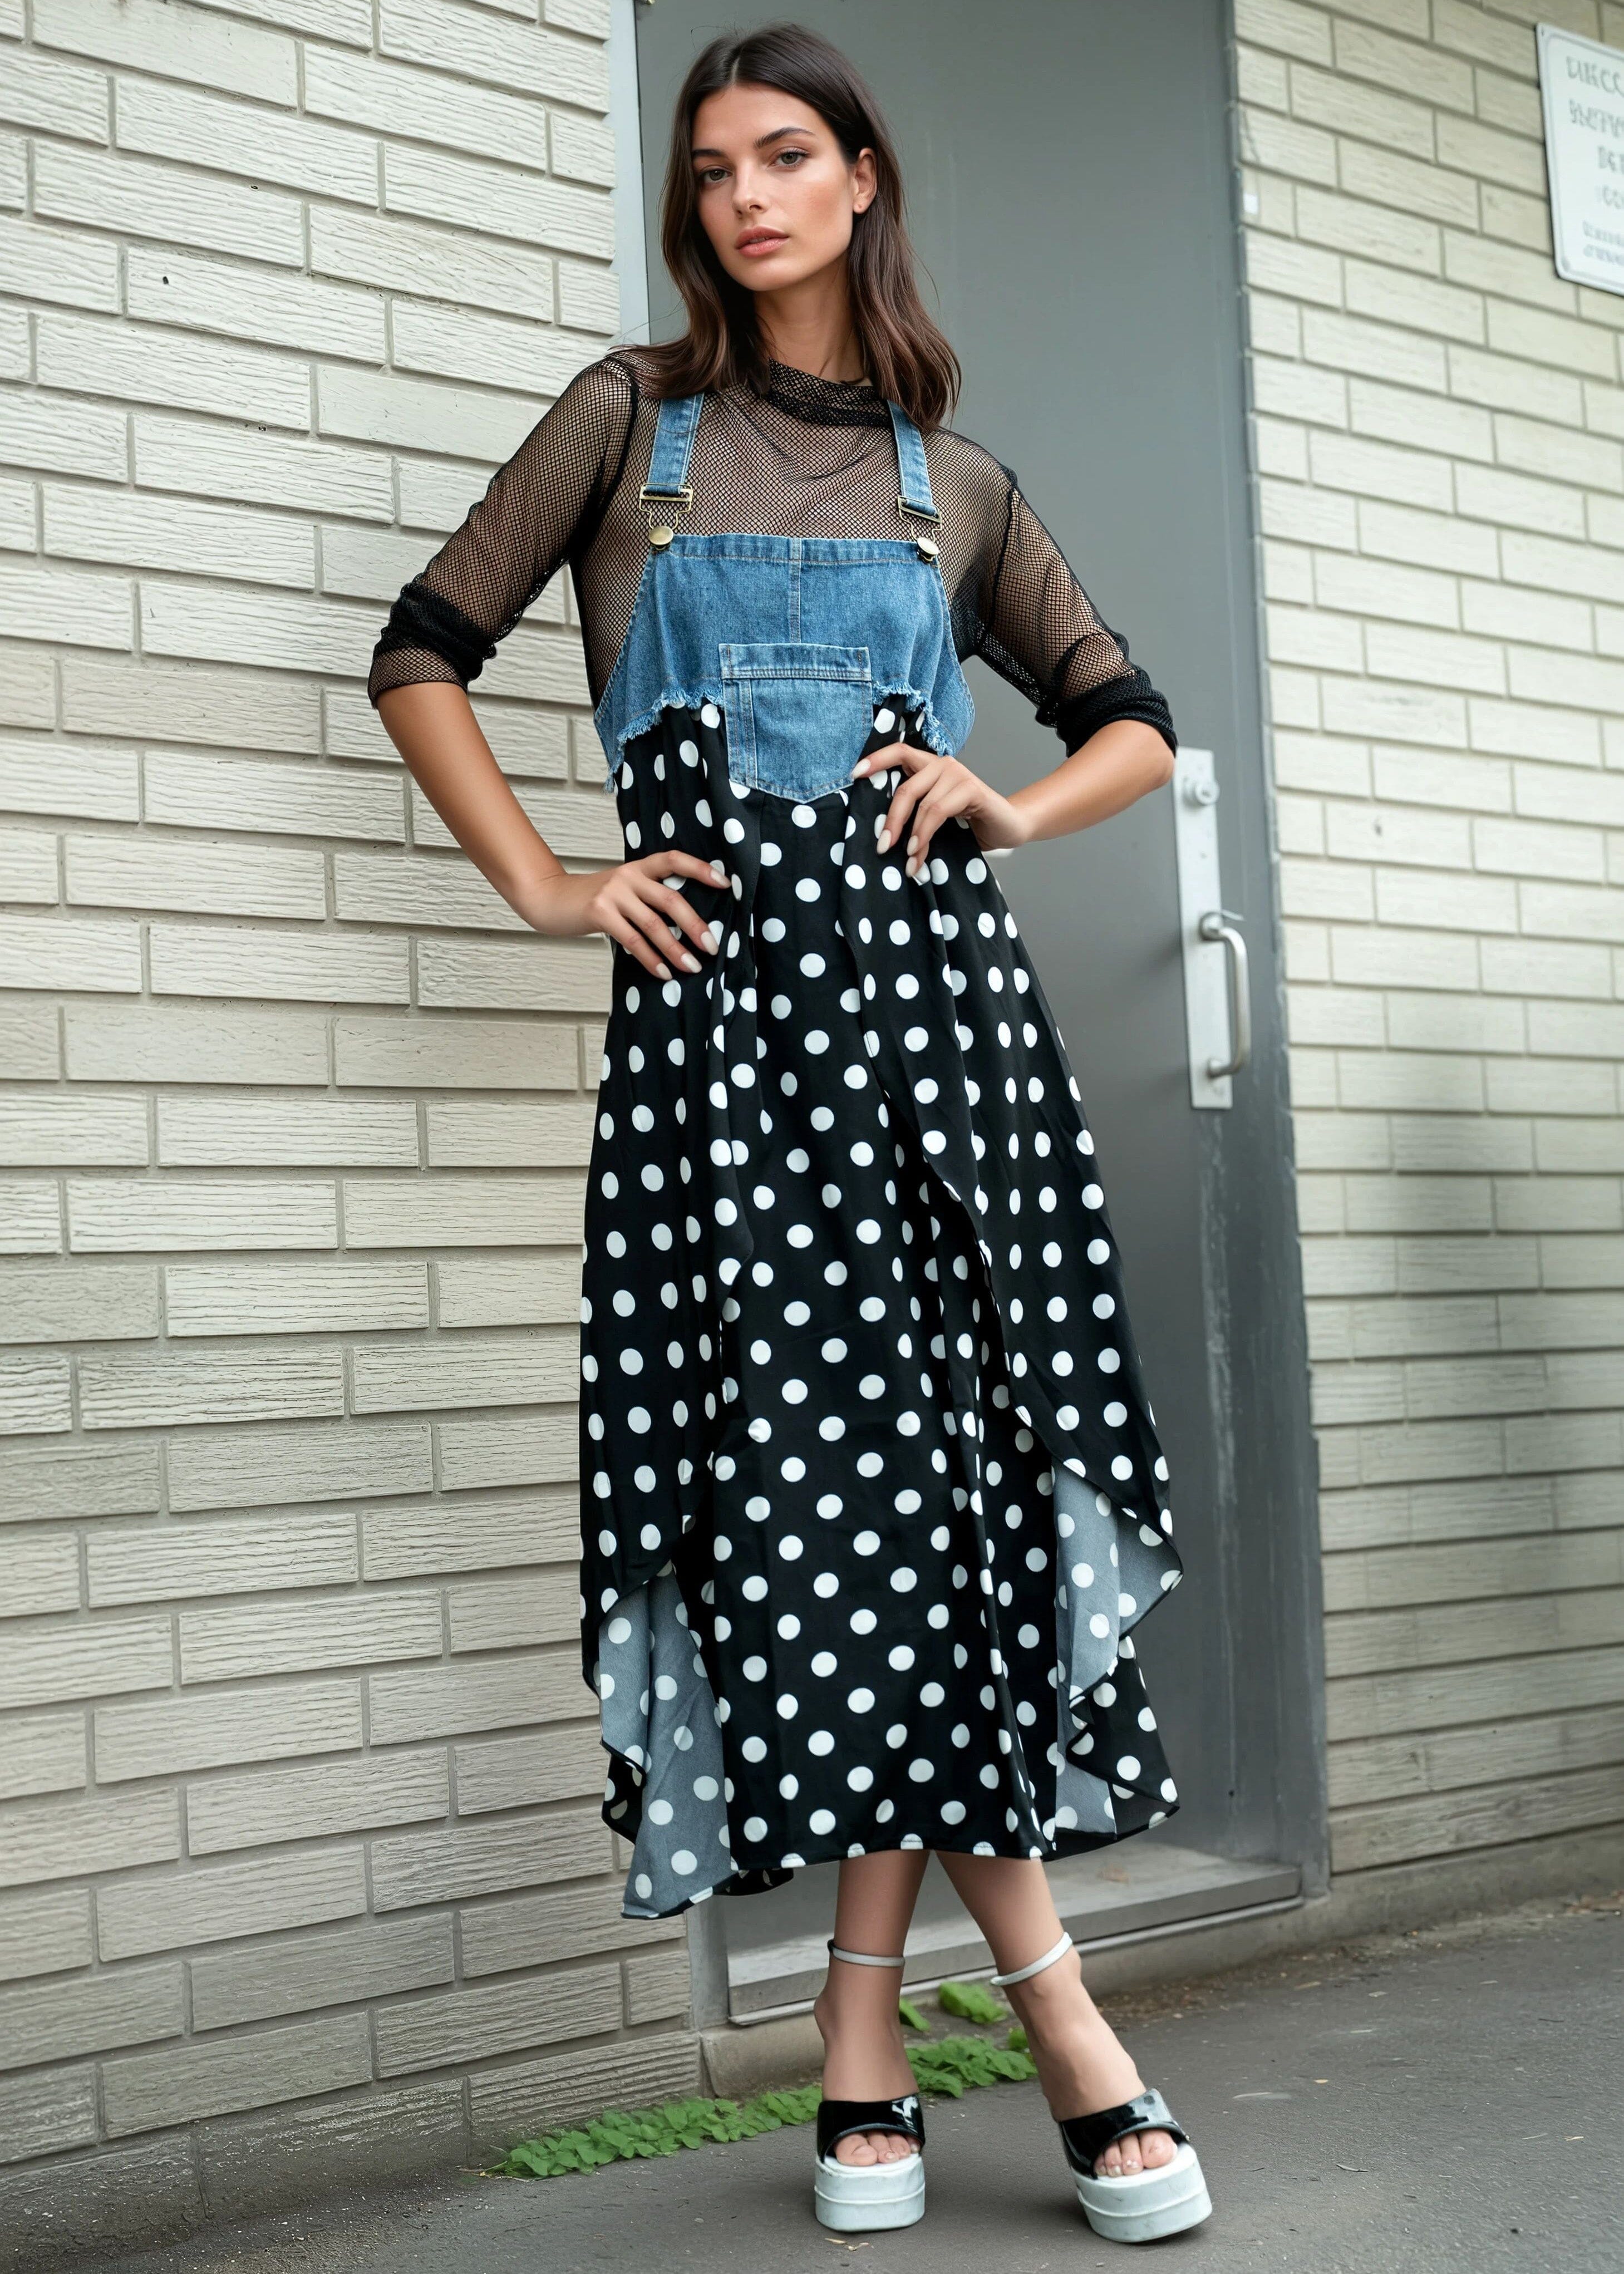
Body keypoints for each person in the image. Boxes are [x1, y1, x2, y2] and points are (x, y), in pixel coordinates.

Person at [367, 21, 1210, 2246]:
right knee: (798, 1512)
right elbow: (420, 651)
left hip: (949, 1062)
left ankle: (862, 2040)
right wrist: (556, 884)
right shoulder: (620, 427)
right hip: (722, 1079)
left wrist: (1008, 802)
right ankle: (1058, 2017)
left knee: (937, 1507)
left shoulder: (960, 484)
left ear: (860, 181)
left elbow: (1132, 721)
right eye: (711, 165)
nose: (742, 195)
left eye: (783, 156)